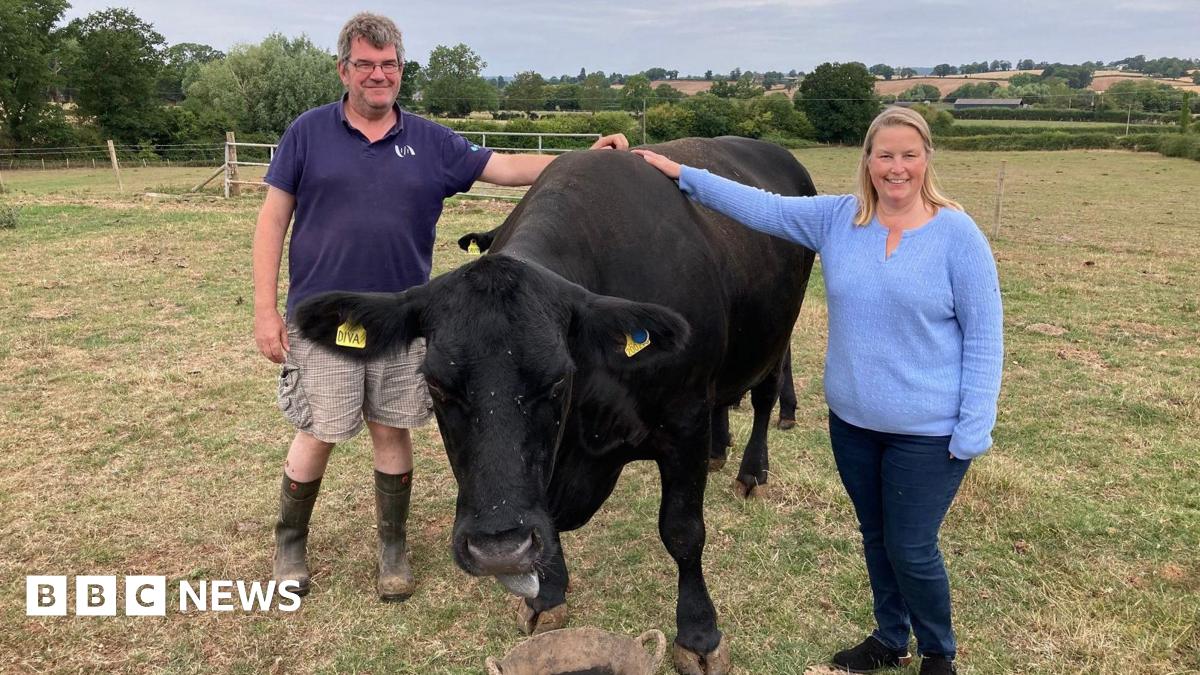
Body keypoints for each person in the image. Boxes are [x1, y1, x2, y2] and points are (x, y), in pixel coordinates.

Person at [252, 12, 627, 603]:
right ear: (343, 69)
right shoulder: (307, 133)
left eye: (389, 65)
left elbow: (503, 169)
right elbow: (273, 218)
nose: (378, 75)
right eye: (365, 65)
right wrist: (265, 309)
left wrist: (583, 158)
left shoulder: (429, 141)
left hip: (406, 323)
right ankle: (290, 543)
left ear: (401, 70)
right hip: (330, 321)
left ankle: (392, 548)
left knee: (393, 430)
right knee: (318, 431)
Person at [634, 107, 1002, 675]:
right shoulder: (839, 219)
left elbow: (984, 339)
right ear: (868, 160)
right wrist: (673, 170)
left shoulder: (958, 235)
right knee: (876, 537)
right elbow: (760, 206)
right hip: (853, 424)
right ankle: (889, 636)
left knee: (911, 548)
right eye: (885, 155)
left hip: (928, 433)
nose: (896, 168)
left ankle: (939, 655)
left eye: (909, 154)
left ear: (927, 158)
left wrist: (973, 429)